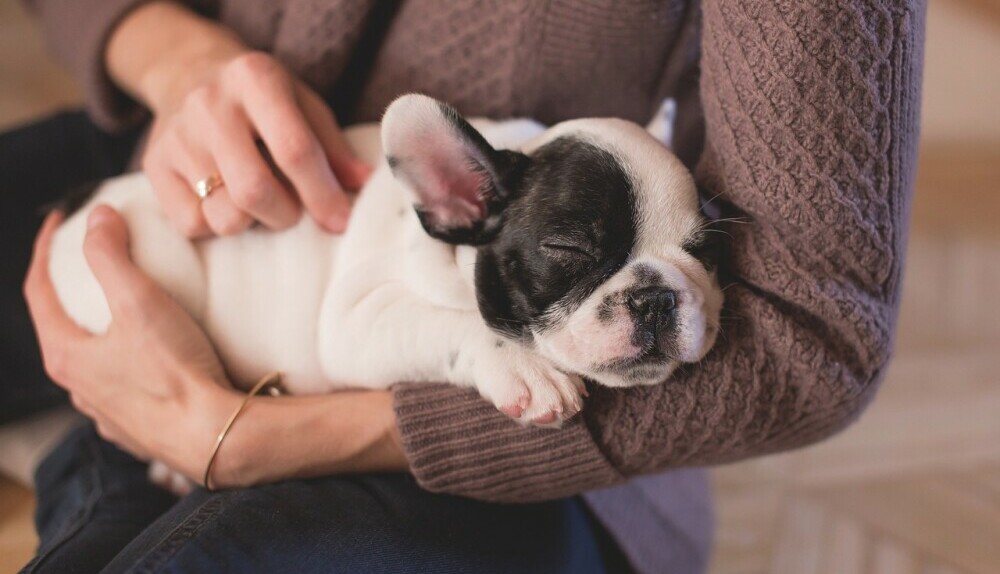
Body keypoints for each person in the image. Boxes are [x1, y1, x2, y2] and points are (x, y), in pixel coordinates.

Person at [3, 1, 925, 572]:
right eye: (579, 259)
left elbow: (816, 332)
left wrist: (235, 438)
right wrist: (171, 53)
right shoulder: (467, 203)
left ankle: (103, 461)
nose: (654, 296)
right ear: (452, 202)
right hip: (180, 186)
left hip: (502, 467)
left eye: (698, 254)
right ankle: (109, 450)